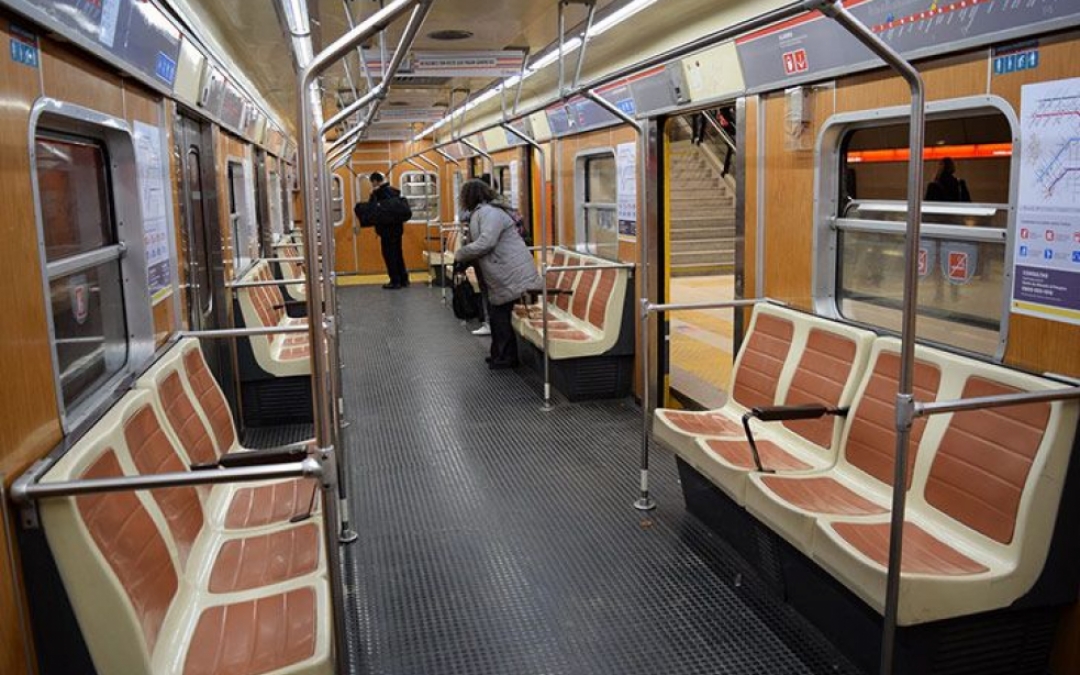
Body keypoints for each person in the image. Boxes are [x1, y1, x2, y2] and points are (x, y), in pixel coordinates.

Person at [454, 179, 541, 370]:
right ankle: (499, 354)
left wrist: (462, 254)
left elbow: (487, 242)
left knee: (499, 315)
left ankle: (506, 358)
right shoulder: (485, 212)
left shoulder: (489, 213)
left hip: (511, 272)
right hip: (504, 270)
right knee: (496, 315)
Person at [368, 171, 410, 289]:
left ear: (375, 181)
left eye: (372, 182)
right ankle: (404, 279)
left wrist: (372, 195)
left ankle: (395, 281)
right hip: (397, 229)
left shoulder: (378, 194)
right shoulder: (394, 192)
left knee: (389, 255)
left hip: (386, 231)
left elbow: (373, 210)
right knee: (398, 254)